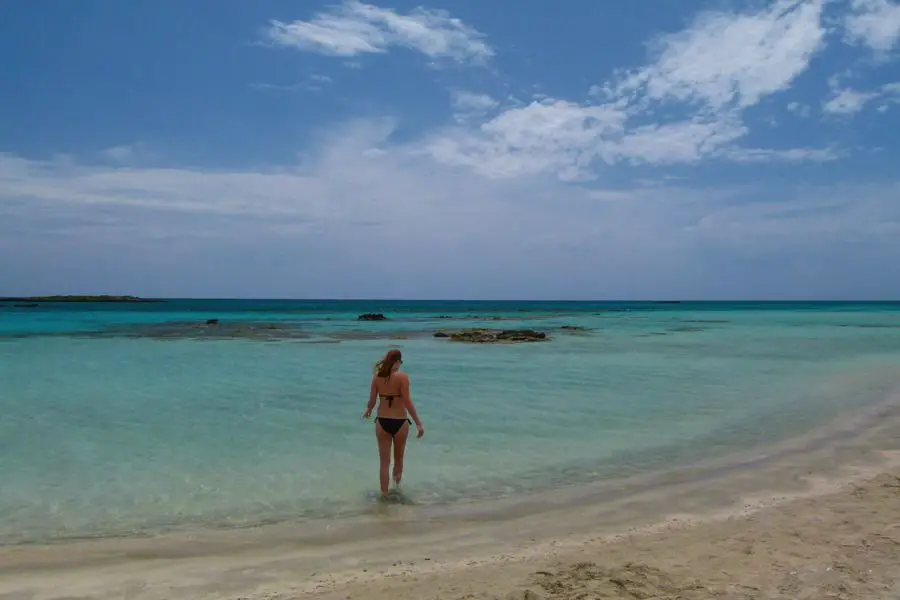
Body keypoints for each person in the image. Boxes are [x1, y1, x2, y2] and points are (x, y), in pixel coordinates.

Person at [362, 349, 424, 498]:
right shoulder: (403, 377)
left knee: (384, 462)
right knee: (399, 459)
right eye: (400, 362)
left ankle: (384, 495)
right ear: (397, 361)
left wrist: (369, 410)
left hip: (382, 421)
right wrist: (418, 423)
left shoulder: (377, 378)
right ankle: (396, 491)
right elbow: (407, 402)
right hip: (400, 422)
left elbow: (371, 401)